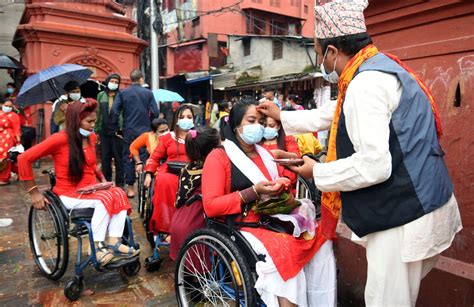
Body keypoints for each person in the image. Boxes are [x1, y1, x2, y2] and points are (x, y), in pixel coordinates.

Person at [258, 1, 462, 306]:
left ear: (331, 52)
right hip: (425, 203)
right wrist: (284, 116)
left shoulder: (365, 84)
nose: (318, 60)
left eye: (316, 51)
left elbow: (374, 165)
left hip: (404, 217)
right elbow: (335, 111)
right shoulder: (377, 68)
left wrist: (318, 172)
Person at [203, 99, 336, 307]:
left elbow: (283, 179)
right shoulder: (218, 157)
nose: (259, 126)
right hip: (241, 224)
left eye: (262, 121)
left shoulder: (264, 153)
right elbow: (211, 206)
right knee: (287, 251)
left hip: (271, 216)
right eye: (252, 120)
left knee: (320, 237)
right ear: (236, 125)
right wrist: (253, 192)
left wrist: (281, 184)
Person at [18, 100, 139, 266]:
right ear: (75, 121)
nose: (93, 125)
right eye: (89, 122)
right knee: (104, 199)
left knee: (118, 192)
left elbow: (91, 164)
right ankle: (95, 247)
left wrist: (102, 178)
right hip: (69, 193)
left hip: (91, 189)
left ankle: (114, 241)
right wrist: (34, 192)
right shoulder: (58, 139)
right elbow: (23, 158)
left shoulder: (91, 137)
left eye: (94, 121)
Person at [168, 128, 220, 260]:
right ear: (213, 150)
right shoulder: (211, 171)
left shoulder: (187, 169)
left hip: (177, 224)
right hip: (195, 227)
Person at [143, 105, 194, 235]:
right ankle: (167, 227)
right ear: (176, 120)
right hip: (170, 170)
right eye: (182, 117)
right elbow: (154, 158)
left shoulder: (198, 137)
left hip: (192, 172)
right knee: (165, 181)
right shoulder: (167, 137)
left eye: (189, 117)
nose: (186, 119)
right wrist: (148, 174)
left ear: (193, 119)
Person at [111, 69, 159, 198]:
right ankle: (145, 184)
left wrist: (117, 128)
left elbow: (115, 111)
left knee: (129, 157)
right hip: (145, 130)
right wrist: (150, 123)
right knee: (146, 156)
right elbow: (155, 112)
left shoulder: (123, 93)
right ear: (141, 79)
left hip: (128, 130)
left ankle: (131, 188)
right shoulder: (148, 93)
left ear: (131, 80)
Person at [95, 73, 125, 188]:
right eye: (112, 81)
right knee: (105, 157)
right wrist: (96, 130)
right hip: (104, 130)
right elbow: (98, 113)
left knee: (119, 158)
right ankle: (106, 182)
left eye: (117, 82)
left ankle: (120, 183)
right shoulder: (101, 95)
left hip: (118, 130)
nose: (114, 84)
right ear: (107, 82)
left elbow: (124, 113)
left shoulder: (121, 95)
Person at [261, 116, 299, 186]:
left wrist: (280, 154)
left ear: (279, 126)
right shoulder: (257, 141)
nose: (267, 129)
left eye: (271, 126)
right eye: (264, 126)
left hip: (285, 179)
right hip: (262, 180)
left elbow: (296, 157)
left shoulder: (287, 139)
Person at [0, 98, 21, 185]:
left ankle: (4, 178)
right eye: (6, 106)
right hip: (0, 137)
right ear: (1, 105)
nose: (8, 108)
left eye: (10, 106)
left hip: (9, 137)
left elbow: (17, 129)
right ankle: (20, 171)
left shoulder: (14, 115)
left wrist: (18, 142)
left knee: (5, 157)